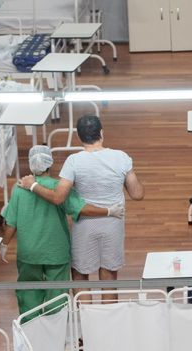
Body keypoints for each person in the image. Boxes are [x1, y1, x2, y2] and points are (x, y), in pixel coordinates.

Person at [18, 114, 145, 282]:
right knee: (109, 275)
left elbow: (58, 198)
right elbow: (137, 194)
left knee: (79, 274)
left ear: (79, 136)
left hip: (85, 227)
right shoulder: (121, 157)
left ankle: (82, 302)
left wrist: (32, 185)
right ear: (101, 133)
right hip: (113, 224)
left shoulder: (73, 161)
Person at [0, 145, 124, 315]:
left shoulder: (19, 188)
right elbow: (82, 209)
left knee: (29, 293)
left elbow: (11, 223)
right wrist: (109, 211)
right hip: (56, 252)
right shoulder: (59, 188)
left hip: (29, 253)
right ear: (50, 163)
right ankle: (56, 328)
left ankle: (30, 328)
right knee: (57, 297)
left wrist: (4, 244)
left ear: (30, 164)